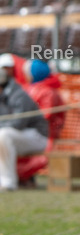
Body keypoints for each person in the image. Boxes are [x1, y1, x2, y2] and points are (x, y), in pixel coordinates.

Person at [0, 60, 49, 191]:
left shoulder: (19, 95)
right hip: (18, 137)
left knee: (3, 135)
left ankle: (8, 183)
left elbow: (18, 123)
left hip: (38, 137)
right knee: (3, 135)